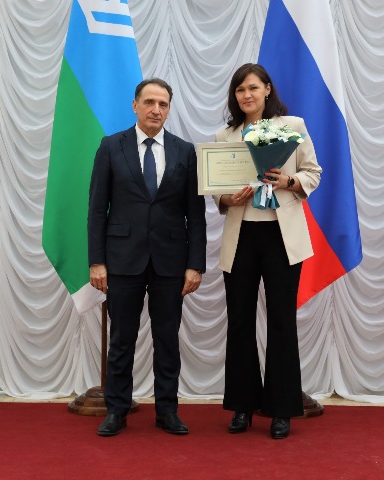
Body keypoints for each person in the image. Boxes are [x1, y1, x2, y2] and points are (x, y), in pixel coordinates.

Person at [88, 78, 207, 437]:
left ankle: (167, 411)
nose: (156, 110)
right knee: (122, 339)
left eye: (163, 104)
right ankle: (117, 410)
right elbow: (97, 209)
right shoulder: (111, 146)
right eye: (150, 102)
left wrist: (195, 264)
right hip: (122, 260)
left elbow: (195, 214)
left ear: (169, 109)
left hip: (171, 262)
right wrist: (96, 261)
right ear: (135, 105)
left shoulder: (185, 151)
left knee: (167, 340)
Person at [213, 63, 322, 439]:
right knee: (240, 322)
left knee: (281, 322)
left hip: (281, 236)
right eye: (240, 89)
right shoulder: (225, 135)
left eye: (253, 88)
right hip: (241, 236)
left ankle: (281, 409)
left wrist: (289, 180)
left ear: (267, 89)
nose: (247, 95)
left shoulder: (292, 126)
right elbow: (217, 189)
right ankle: (242, 406)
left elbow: (313, 172)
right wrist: (227, 198)